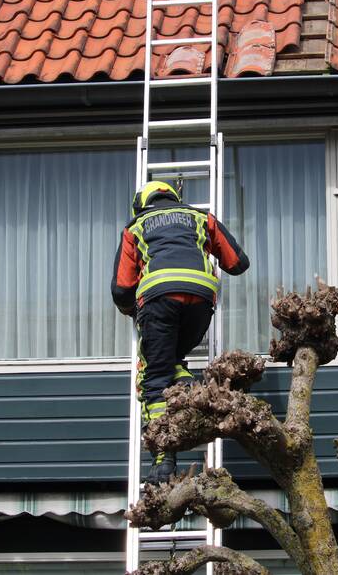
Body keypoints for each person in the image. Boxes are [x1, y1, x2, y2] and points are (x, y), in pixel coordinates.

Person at [111, 180, 250, 484]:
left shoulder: (135, 226)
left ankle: (163, 460)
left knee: (154, 376)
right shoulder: (201, 218)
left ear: (143, 203)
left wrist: (136, 311)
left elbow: (121, 290)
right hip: (200, 301)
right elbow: (238, 263)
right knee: (173, 360)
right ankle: (186, 383)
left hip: (159, 302)